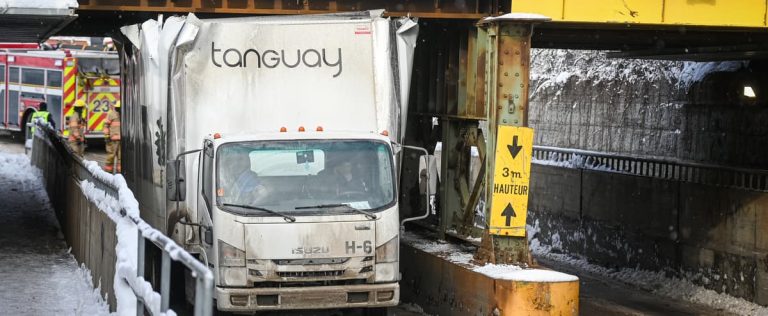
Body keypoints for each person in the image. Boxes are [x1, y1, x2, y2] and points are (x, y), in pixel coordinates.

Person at [103, 100, 121, 173]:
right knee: (110, 156)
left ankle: (120, 173)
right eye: (118, 108)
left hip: (121, 140)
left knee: (121, 158)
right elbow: (106, 125)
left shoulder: (124, 114)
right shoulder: (111, 114)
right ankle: (108, 173)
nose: (118, 109)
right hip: (112, 140)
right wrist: (107, 136)